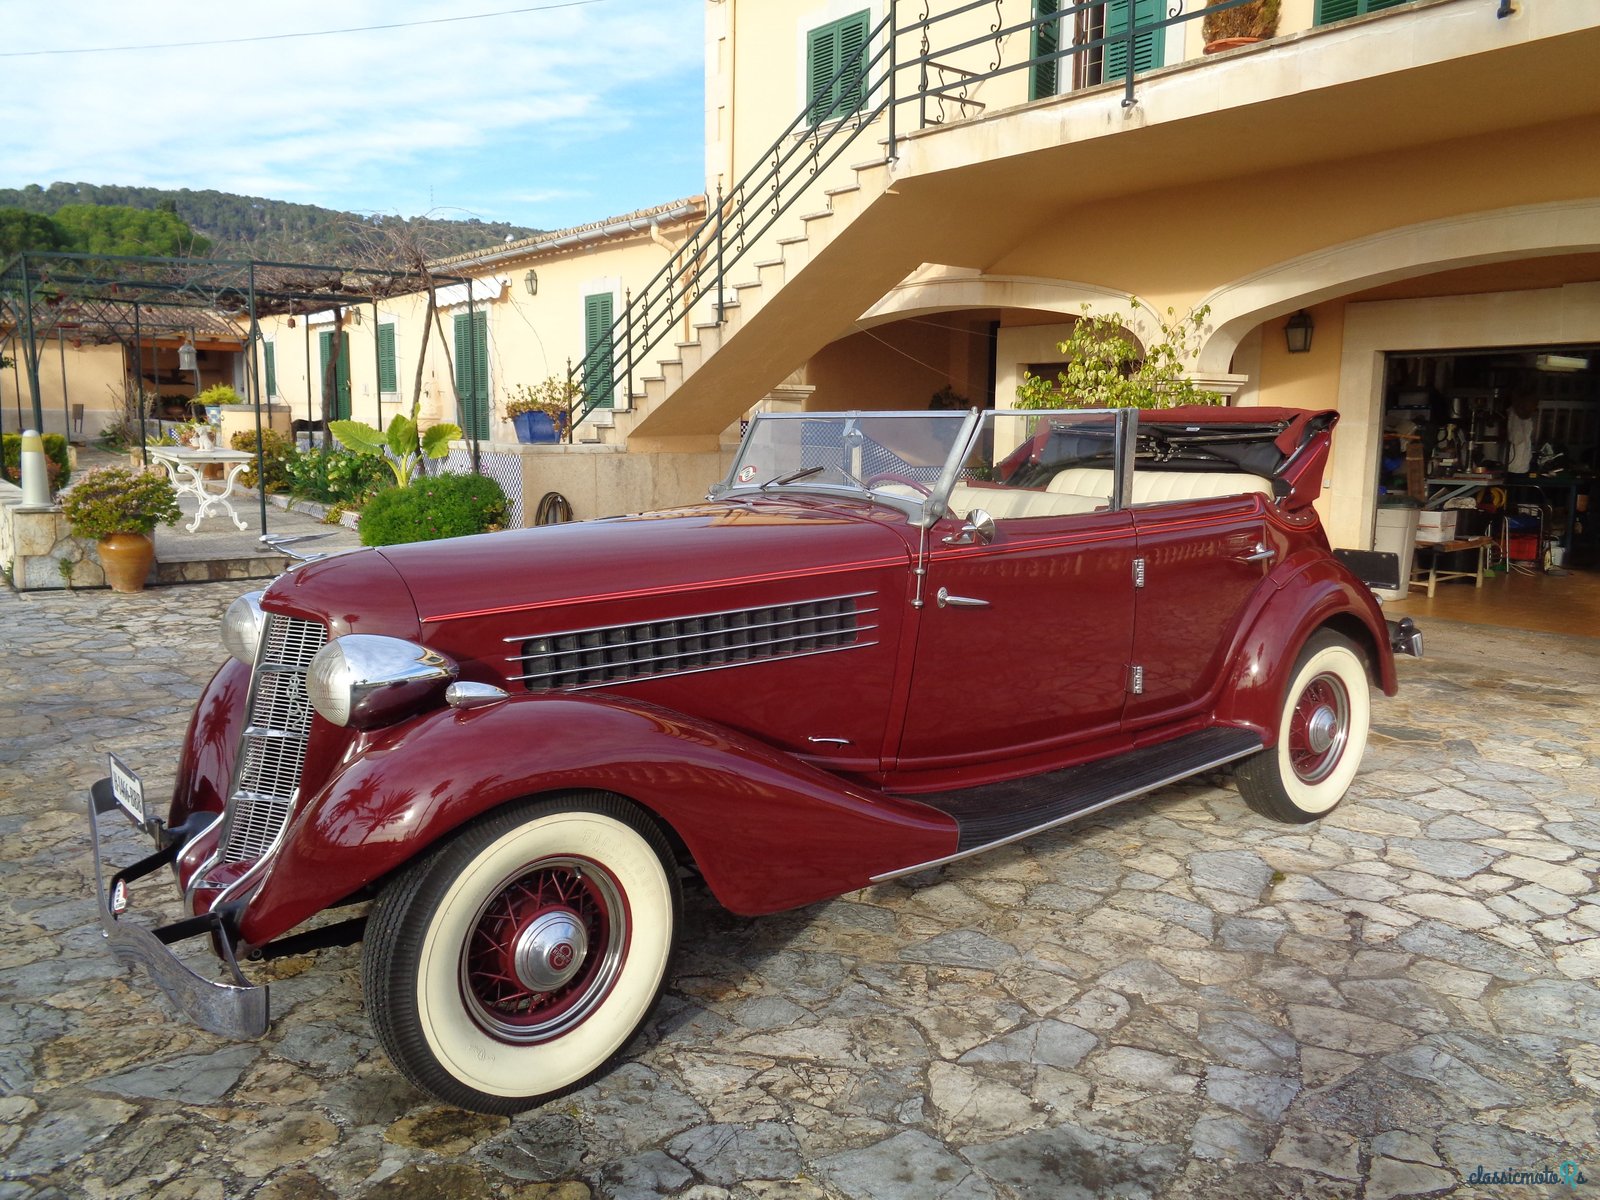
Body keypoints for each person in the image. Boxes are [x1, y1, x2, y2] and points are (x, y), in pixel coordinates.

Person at [1505, 393, 1538, 478]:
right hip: (1514, 466)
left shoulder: (1524, 418)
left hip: (1521, 465)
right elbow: (1516, 438)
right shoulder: (1515, 416)